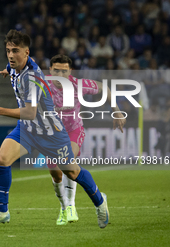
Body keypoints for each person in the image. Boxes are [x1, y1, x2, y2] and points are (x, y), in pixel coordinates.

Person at [0, 29, 111, 229]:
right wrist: (8, 69)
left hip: (51, 132)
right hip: (27, 129)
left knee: (72, 173)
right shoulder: (16, 65)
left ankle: (100, 201)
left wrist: (0, 110)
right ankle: (2, 211)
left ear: (26, 52)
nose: (10, 55)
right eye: (8, 50)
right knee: (2, 159)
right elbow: (13, 69)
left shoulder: (32, 78)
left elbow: (30, 112)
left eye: (15, 51)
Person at [45, 55, 126, 225]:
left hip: (74, 130)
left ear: (70, 71)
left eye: (64, 71)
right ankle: (63, 206)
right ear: (50, 70)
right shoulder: (42, 85)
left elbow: (105, 88)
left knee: (68, 162)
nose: (60, 74)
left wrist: (116, 110)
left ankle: (71, 206)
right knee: (55, 173)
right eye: (56, 70)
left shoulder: (77, 85)